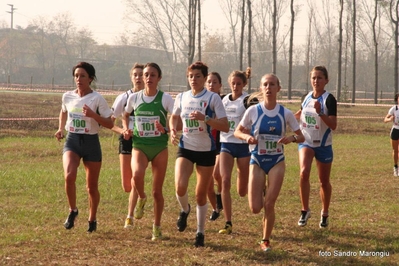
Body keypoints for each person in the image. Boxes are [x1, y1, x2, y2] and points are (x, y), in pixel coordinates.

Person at [234, 73, 304, 252]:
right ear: (261, 88)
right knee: (255, 208)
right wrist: (247, 137)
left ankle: (265, 240)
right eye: (265, 84)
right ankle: (263, 190)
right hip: (257, 160)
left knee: (269, 204)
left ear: (278, 89)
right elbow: (237, 132)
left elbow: (301, 136)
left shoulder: (285, 113)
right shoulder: (253, 111)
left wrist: (291, 138)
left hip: (276, 161)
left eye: (272, 85)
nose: (268, 88)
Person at [169, 61, 229, 247]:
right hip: (186, 147)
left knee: (200, 195)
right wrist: (172, 130)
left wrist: (206, 118)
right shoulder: (182, 96)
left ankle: (200, 232)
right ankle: (185, 210)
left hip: (206, 151)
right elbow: (174, 116)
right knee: (180, 186)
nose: (193, 79)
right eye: (190, 76)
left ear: (204, 78)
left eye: (197, 76)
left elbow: (225, 126)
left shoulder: (213, 99)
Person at [54, 62, 113, 233]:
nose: (78, 79)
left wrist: (94, 115)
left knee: (91, 187)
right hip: (72, 140)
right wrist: (60, 128)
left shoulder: (97, 98)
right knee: (69, 176)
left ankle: (92, 219)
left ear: (91, 79)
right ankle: (73, 210)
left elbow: (109, 123)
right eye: (76, 76)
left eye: (82, 76)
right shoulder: (67, 96)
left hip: (91, 142)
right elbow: (64, 111)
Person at [122, 62, 174, 241]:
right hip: (140, 145)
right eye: (146, 75)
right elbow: (125, 114)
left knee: (157, 191)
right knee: (136, 176)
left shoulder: (165, 98)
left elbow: (177, 119)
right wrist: (126, 129)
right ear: (142, 78)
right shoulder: (134, 98)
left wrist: (166, 128)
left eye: (153, 75)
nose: (149, 78)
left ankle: (157, 227)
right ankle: (141, 199)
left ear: (159, 78)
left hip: (159, 147)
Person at [294, 65, 337, 229]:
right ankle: (305, 210)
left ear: (326, 80)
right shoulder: (306, 97)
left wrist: (320, 113)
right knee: (304, 172)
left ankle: (324, 213)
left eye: (319, 78)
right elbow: (300, 114)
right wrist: (286, 117)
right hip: (306, 141)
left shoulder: (329, 99)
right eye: (313, 78)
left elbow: (333, 125)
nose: (316, 81)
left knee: (324, 181)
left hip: (324, 145)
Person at [218, 68, 253, 235]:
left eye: (239, 84)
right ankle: (228, 222)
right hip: (226, 143)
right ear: (229, 84)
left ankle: (259, 188)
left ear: (244, 84)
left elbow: (257, 117)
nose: (235, 86)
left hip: (243, 145)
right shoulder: (223, 100)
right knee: (224, 181)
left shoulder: (247, 100)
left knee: (242, 191)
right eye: (233, 83)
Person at [110, 63, 144, 228]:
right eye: (135, 75)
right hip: (126, 139)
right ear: (131, 77)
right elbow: (110, 122)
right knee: (126, 185)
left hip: (143, 141)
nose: (138, 78)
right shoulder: (123, 98)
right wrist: (122, 130)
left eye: (141, 75)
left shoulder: (150, 98)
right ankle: (138, 196)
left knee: (136, 177)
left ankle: (129, 215)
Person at [205, 71, 224, 221]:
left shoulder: (223, 101)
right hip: (204, 144)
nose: (211, 85)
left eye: (214, 82)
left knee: (217, 174)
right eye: (209, 82)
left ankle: (221, 199)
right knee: (207, 183)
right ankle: (215, 208)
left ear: (220, 86)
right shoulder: (201, 100)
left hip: (221, 143)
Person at [384, 93, 399, 176]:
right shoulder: (394, 109)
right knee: (395, 150)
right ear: (397, 99)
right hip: (395, 130)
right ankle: (395, 167)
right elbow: (385, 119)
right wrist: (390, 119)